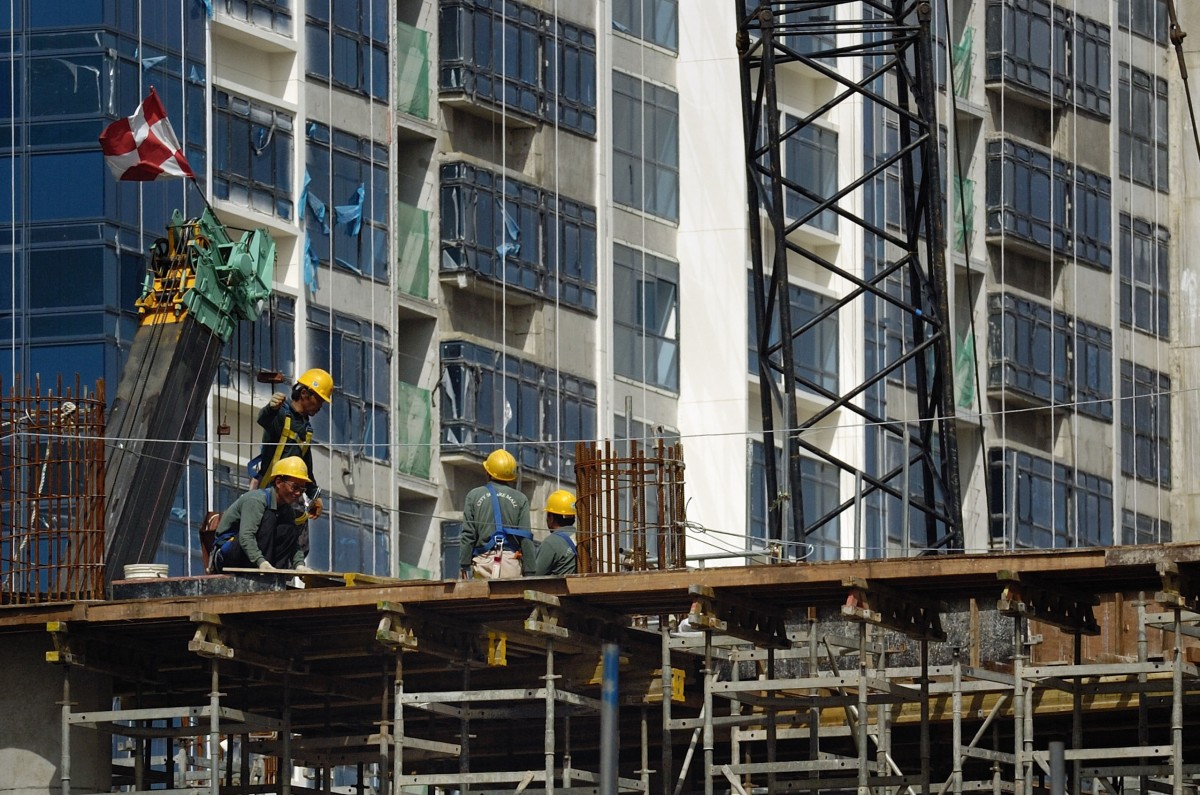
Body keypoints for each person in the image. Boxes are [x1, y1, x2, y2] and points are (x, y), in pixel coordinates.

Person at [249, 367, 333, 519]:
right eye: (319, 400)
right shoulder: (282, 414)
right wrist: (271, 409)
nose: (321, 406)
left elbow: (305, 469)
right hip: (268, 491)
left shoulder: (306, 430)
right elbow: (264, 420)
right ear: (304, 394)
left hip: (286, 497)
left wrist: (315, 495)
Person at [210, 456, 317, 573]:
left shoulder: (287, 510)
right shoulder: (256, 500)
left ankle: (274, 574)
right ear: (279, 482)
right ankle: (263, 568)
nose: (297, 493)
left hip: (255, 556)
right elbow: (246, 536)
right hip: (228, 553)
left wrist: (299, 565)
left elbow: (293, 543)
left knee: (288, 528)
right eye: (295, 487)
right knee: (269, 517)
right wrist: (261, 562)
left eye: (301, 490)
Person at [460, 449, 534, 579]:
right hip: (510, 563)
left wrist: (464, 565)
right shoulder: (520, 499)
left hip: (483, 562)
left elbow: (468, 535)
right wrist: (530, 572)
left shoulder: (474, 495)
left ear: (488, 472)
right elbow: (526, 538)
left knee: (479, 599)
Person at [533, 489, 577, 576]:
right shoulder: (581, 537)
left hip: (559, 588)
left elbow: (535, 575)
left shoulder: (551, 542)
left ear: (551, 517)